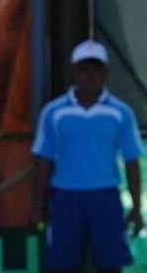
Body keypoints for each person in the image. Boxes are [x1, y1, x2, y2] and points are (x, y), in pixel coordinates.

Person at [31, 39, 145, 273]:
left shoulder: (120, 113)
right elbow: (44, 160)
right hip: (65, 200)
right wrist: (38, 204)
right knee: (63, 266)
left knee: (111, 265)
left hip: (106, 200)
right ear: (74, 71)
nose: (89, 74)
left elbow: (132, 160)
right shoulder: (54, 113)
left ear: (105, 72)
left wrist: (136, 206)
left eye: (95, 68)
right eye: (83, 68)